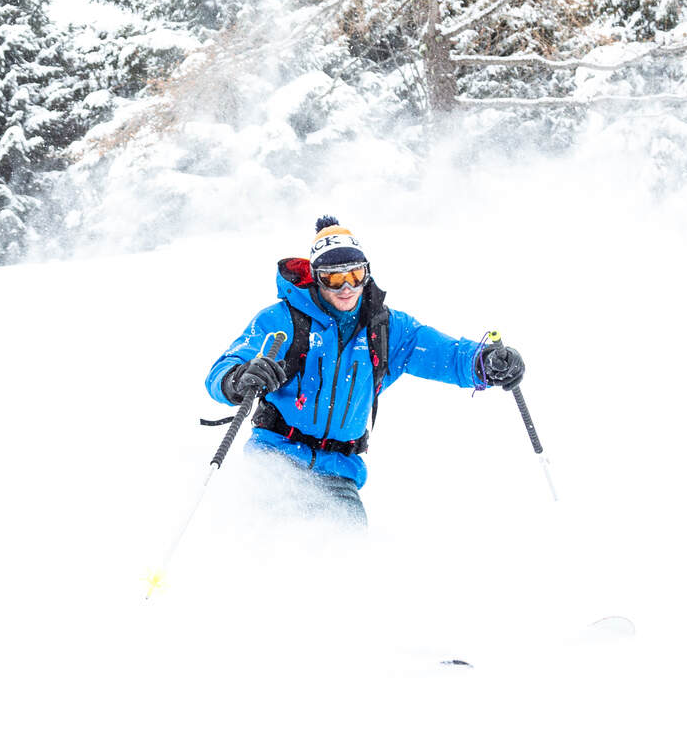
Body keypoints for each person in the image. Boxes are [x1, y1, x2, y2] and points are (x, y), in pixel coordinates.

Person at [204, 216, 527, 526]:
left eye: (355, 275)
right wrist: (239, 378)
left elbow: (450, 356)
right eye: (333, 277)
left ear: (367, 274)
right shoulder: (281, 320)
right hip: (276, 457)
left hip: (340, 471)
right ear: (316, 277)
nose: (346, 287)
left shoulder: (388, 329)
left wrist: (486, 362)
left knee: (347, 554)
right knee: (267, 543)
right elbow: (223, 371)